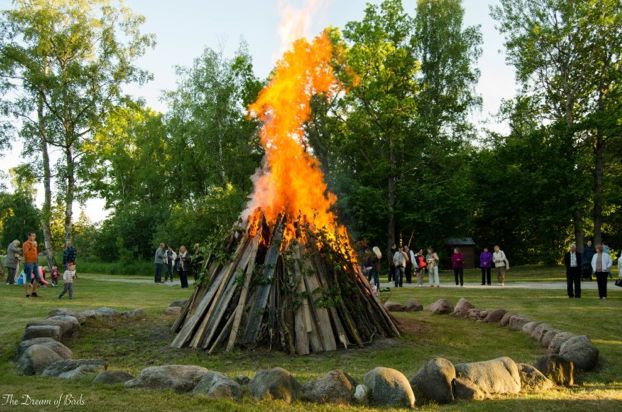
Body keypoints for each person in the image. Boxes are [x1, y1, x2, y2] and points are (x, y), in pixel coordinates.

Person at [23, 232, 42, 298]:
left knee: (37, 277)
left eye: (34, 236)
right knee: (28, 278)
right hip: (28, 262)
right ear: (29, 236)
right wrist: (32, 246)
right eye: (32, 236)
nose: (34, 237)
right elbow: (25, 253)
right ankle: (27, 293)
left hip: (35, 262)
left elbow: (35, 253)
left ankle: (34, 292)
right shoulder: (26, 244)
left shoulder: (35, 243)